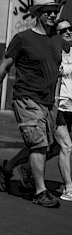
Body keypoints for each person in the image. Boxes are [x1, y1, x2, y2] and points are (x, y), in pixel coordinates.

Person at [0, 0, 63, 208]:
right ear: (37, 13)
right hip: (26, 99)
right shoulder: (23, 38)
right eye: (48, 11)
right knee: (38, 144)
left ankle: (8, 167)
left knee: (50, 146)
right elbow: (4, 66)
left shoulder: (56, 39)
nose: (53, 15)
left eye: (55, 11)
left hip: (48, 102)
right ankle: (40, 192)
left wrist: (57, 101)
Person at [54, 19, 72, 202]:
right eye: (63, 30)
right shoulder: (53, 53)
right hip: (57, 106)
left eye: (70, 29)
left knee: (52, 148)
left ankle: (14, 166)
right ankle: (68, 189)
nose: (67, 32)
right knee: (66, 146)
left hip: (71, 107)